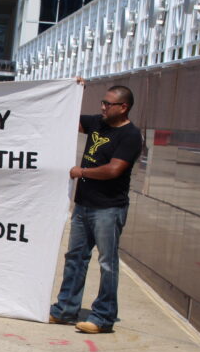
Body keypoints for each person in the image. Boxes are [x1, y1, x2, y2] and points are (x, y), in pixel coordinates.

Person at [50, 82, 142, 333]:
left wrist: (82, 172)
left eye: (107, 103)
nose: (102, 107)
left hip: (108, 209)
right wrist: (70, 89)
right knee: (75, 258)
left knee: (107, 263)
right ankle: (65, 310)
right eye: (102, 102)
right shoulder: (97, 123)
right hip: (83, 206)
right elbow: (67, 119)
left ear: (123, 107)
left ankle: (103, 317)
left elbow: (114, 169)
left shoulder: (131, 135)